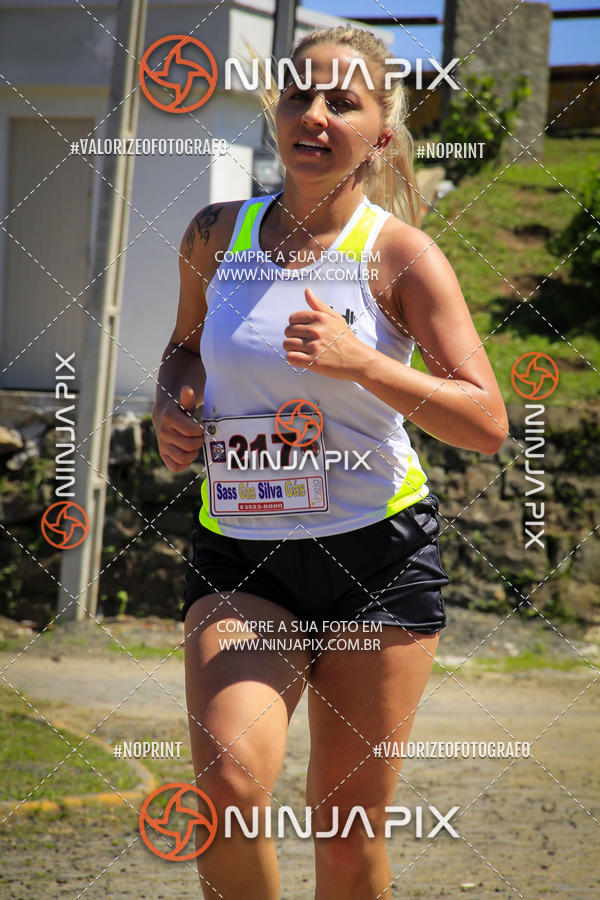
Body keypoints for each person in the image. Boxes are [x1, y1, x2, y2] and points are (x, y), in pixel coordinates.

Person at [152, 24, 508, 900]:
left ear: (380, 133)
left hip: (377, 561)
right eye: (298, 95)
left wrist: (365, 365)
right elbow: (183, 350)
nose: (314, 115)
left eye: (342, 102)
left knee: (346, 835)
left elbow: (487, 422)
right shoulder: (214, 235)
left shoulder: (402, 256)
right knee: (228, 795)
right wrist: (174, 404)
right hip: (244, 554)